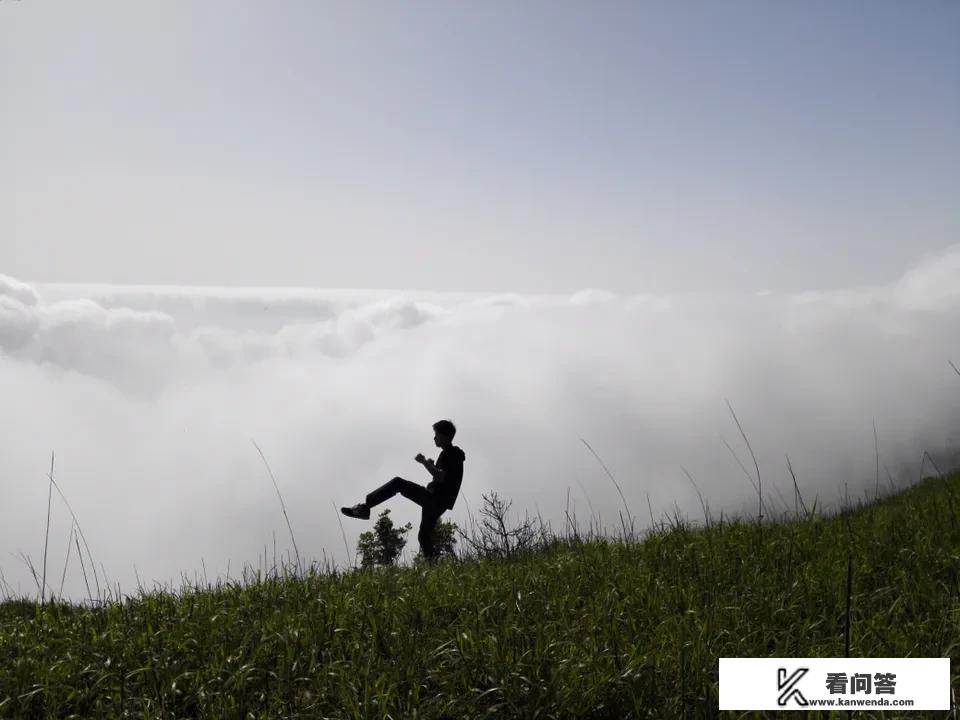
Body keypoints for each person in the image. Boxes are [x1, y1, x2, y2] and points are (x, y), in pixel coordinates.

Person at [341, 419, 466, 560]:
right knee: (423, 536)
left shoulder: (452, 453)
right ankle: (435, 565)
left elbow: (441, 477)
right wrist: (433, 466)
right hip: (437, 501)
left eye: (437, 434)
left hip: (434, 499)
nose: (434, 438)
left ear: (446, 436)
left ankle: (365, 507)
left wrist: (424, 462)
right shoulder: (449, 454)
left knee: (398, 483)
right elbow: (445, 477)